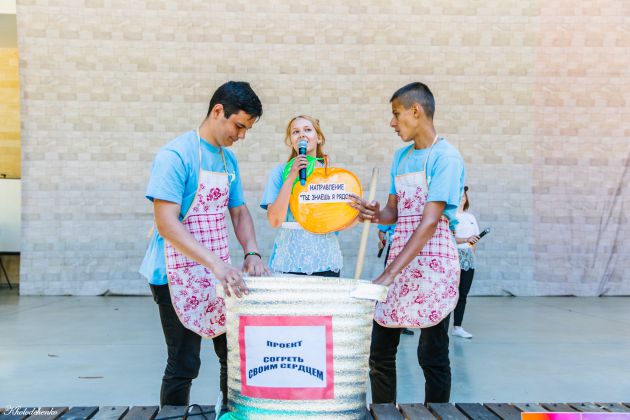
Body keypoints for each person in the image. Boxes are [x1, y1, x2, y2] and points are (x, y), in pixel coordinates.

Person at [139, 81, 268, 407]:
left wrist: (251, 251)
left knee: (233, 356)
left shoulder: (227, 161)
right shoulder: (175, 156)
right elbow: (166, 223)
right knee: (184, 363)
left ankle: (230, 414)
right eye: (239, 126)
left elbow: (239, 211)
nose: (241, 136)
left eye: (247, 129)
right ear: (218, 111)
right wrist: (216, 264)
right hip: (174, 273)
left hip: (217, 272)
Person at [350, 82, 465, 403]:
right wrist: (375, 214)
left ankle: (437, 413)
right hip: (401, 263)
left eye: (396, 113)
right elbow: (394, 212)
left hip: (433, 267)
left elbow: (429, 222)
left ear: (416, 111)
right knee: (379, 352)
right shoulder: (400, 157)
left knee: (432, 355)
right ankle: (384, 412)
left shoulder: (446, 157)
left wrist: (388, 274)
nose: (392, 122)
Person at [260, 115, 342, 277]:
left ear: (319, 138)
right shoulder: (280, 173)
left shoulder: (330, 175)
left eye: (308, 130)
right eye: (295, 132)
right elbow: (275, 220)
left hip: (325, 258)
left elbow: (338, 222)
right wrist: (291, 176)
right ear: (291, 141)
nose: (302, 135)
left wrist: (358, 213)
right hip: (290, 258)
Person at [452, 186, 480, 339]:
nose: (462, 197)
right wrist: (465, 240)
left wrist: (471, 247)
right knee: (450, 293)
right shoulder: (450, 216)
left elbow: (474, 239)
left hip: (468, 257)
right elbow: (450, 238)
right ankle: (439, 326)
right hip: (453, 256)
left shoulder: (470, 217)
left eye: (464, 195)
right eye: (459, 194)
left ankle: (457, 327)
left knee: (463, 293)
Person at [377, 224, 414, 336]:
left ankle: (402, 324)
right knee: (390, 286)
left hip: (410, 250)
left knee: (406, 287)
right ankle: (385, 319)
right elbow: (381, 231)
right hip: (394, 249)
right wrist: (382, 241)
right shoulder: (394, 215)